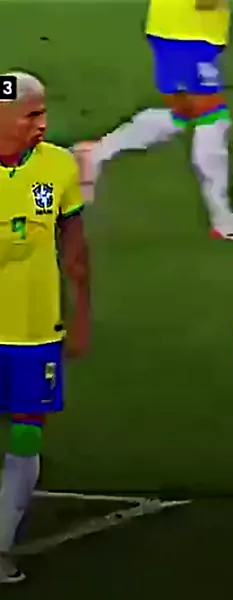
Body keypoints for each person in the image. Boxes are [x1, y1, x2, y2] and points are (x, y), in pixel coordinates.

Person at [0, 72, 90, 584]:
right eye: (31, 115)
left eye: (43, 113)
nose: (42, 124)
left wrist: (81, 313)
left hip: (35, 332)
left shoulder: (57, 166)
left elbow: (74, 247)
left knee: (26, 433)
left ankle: (0, 545)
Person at [72, 0, 233, 240]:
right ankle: (222, 216)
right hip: (189, 33)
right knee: (212, 116)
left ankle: (94, 153)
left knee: (184, 112)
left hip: (175, 28)